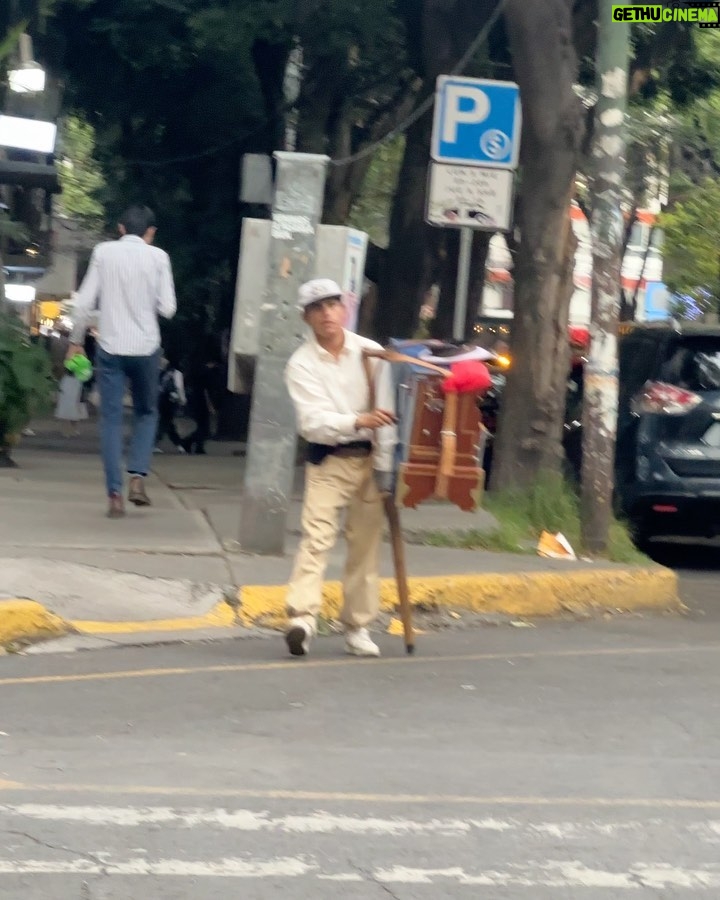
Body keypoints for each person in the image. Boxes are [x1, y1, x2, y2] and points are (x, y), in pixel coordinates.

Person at [284, 278, 397, 659]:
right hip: (329, 459)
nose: (327, 313)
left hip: (370, 458)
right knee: (315, 538)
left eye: (332, 304)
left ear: (345, 308)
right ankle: (302, 618)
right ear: (306, 317)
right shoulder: (301, 364)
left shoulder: (371, 352)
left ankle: (358, 626)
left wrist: (385, 468)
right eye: (317, 308)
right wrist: (357, 421)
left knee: (364, 548)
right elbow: (312, 423)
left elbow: (387, 416)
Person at [67, 205, 177, 518]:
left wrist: (76, 341)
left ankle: (114, 495)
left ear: (120, 228)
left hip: (110, 348)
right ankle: (138, 477)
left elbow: (85, 302)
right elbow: (168, 308)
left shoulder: (103, 253)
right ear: (150, 232)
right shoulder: (159, 258)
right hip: (146, 348)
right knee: (146, 413)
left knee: (111, 421)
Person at [155, 355, 187, 453]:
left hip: (161, 399)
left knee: (167, 423)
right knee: (165, 422)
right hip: (170, 401)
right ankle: (155, 442)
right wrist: (183, 400)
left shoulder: (164, 372)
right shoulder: (177, 373)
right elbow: (179, 388)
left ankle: (178, 444)